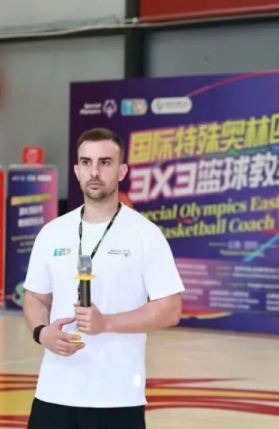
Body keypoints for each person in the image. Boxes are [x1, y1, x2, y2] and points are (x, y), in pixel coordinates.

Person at [22, 127, 184, 428]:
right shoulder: (52, 232)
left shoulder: (145, 235)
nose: (94, 172)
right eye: (86, 162)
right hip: (54, 392)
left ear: (122, 171)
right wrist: (41, 332)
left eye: (105, 163)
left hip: (116, 397)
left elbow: (170, 309)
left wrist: (106, 323)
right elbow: (34, 297)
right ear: (77, 170)